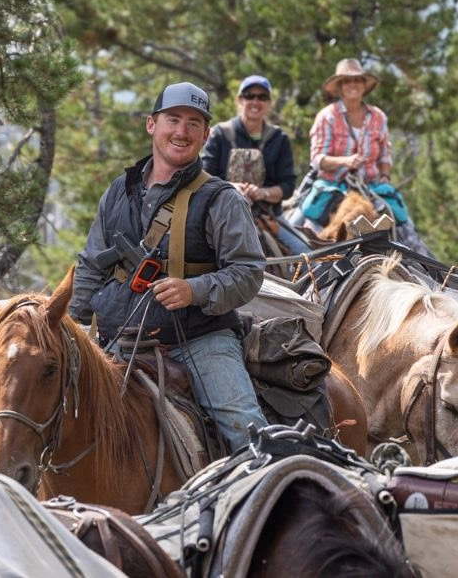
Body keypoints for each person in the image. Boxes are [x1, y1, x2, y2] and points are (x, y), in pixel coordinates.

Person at [69, 81, 268, 451]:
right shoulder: (118, 191)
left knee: (249, 434)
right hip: (118, 340)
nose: (182, 131)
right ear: (152, 124)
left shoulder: (222, 199)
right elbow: (91, 265)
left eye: (194, 123)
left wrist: (194, 290)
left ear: (205, 135)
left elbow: (248, 271)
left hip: (200, 341)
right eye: (173, 119)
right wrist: (73, 326)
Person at [296, 58, 426, 250]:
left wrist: (384, 176)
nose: (353, 85)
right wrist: (345, 161)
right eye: (347, 81)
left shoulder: (378, 117)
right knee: (302, 227)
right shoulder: (327, 116)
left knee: (405, 226)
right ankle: (298, 261)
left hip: (371, 187)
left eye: (358, 80)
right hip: (333, 186)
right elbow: (317, 159)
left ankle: (425, 263)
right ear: (340, 87)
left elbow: (385, 154)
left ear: (364, 86)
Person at [201, 74, 310, 255]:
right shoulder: (219, 134)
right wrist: (231, 187)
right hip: (222, 213)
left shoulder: (279, 138)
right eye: (249, 96)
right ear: (239, 100)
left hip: (268, 217)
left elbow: (288, 185)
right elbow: (204, 175)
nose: (255, 101)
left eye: (262, 97)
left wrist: (263, 193)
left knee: (308, 255)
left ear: (269, 103)